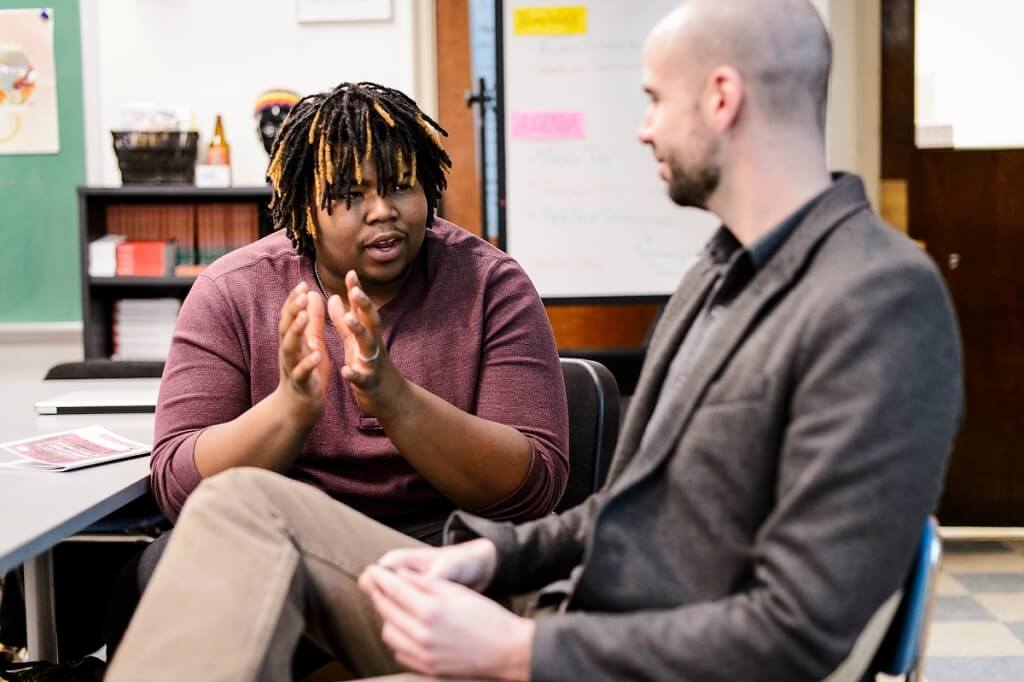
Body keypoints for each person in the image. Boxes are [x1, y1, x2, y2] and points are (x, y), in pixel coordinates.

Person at [107, 1, 964, 680]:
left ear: (721, 99)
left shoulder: (877, 297)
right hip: (572, 627)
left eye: (653, 100)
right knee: (234, 503)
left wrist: (519, 653)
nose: (643, 128)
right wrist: (483, 563)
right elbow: (625, 513)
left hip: (588, 656)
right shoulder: (720, 273)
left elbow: (798, 631)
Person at [101, 81, 569, 667]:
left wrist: (394, 399)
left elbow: (533, 487)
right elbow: (179, 489)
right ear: (302, 207)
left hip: (450, 556)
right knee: (156, 574)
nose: (384, 210)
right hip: (279, 549)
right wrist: (291, 409)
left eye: (401, 185)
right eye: (350, 194)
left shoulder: (491, 285)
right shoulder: (232, 290)